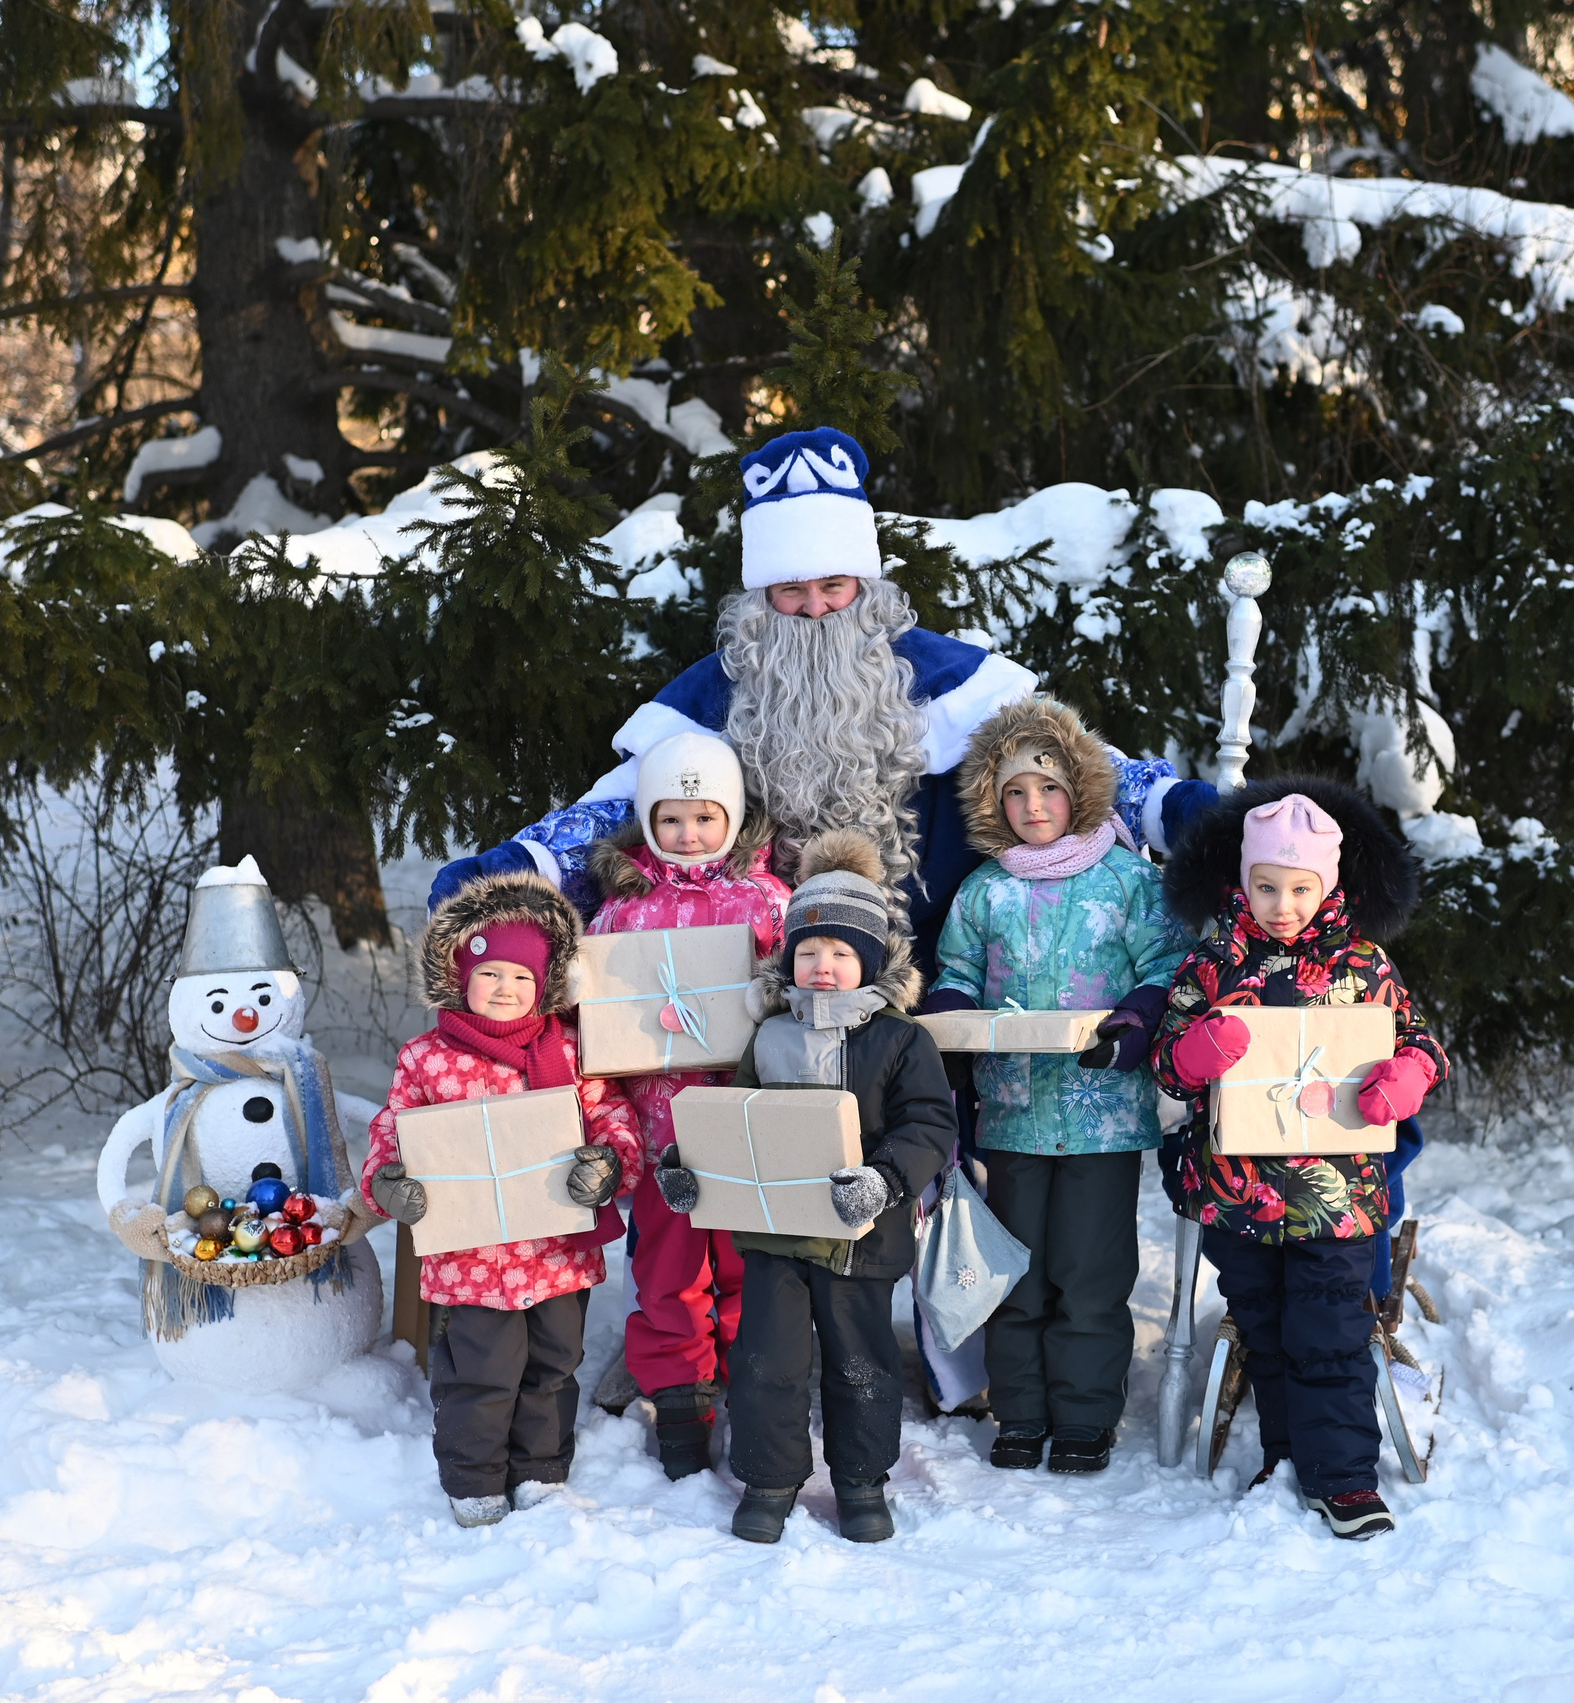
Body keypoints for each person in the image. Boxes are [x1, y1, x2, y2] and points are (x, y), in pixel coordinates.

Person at [424, 427, 1223, 968]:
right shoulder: (713, 695)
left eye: (833, 585)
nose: (814, 610)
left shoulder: (948, 680)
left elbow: (1073, 767)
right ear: (759, 593)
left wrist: (1190, 812)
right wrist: (511, 872)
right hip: (760, 987)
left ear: (866, 583)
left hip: (938, 978)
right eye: (791, 590)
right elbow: (614, 809)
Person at [1151, 783, 1447, 1540]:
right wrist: (1196, 1050)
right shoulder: (1216, 960)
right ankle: (1286, 1457)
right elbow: (1166, 1063)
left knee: (1332, 1329)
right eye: (1267, 886)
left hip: (1337, 1196)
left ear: (1329, 886)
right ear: (1243, 882)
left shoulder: (1365, 965)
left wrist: (1407, 1074)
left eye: (1300, 888)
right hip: (1239, 1193)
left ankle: (1344, 1478)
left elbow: (1419, 1041)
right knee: (1269, 1328)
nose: (1283, 904)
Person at [654, 832, 957, 1544]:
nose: (824, 966)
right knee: (767, 1363)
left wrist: (883, 1180)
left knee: (860, 1364)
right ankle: (769, 1478)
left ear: (871, 963)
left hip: (859, 1238)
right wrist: (689, 1165)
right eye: (810, 952)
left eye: (842, 953)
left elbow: (929, 1125)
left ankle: (860, 1480)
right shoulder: (769, 1036)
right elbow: (737, 1123)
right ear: (789, 958)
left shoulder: (900, 1041)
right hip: (775, 1236)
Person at [923, 696, 1190, 1474]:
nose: (1032, 806)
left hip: (1103, 1116)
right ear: (993, 802)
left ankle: (1083, 1416)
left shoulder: (1126, 882)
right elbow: (959, 974)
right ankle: (1021, 1410)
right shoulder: (985, 891)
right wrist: (948, 1021)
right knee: (1019, 1274)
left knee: (1090, 1273)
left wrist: (1135, 1026)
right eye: (1015, 793)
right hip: (1011, 1115)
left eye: (1046, 789)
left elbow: (1167, 970)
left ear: (1078, 790)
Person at [361, 871, 643, 1528]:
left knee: (552, 1363)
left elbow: (611, 1118)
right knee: (480, 1373)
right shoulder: (429, 1057)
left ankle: (542, 1469)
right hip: (472, 1256)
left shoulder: (568, 1049)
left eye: (522, 976)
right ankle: (474, 1478)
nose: (506, 988)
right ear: (460, 975)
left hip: (556, 1250)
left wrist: (608, 1163)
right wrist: (389, 1179)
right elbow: (393, 1127)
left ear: (544, 984)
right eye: (490, 974)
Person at [584, 732, 792, 1479]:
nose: (689, 834)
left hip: (742, 1122)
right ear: (649, 822)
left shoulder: (765, 900)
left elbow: (793, 989)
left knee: (742, 1266)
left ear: (733, 819)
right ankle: (679, 1397)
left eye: (705, 817)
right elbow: (600, 1007)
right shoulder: (623, 910)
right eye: (671, 819)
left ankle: (747, 1389)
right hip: (659, 1127)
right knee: (668, 1271)